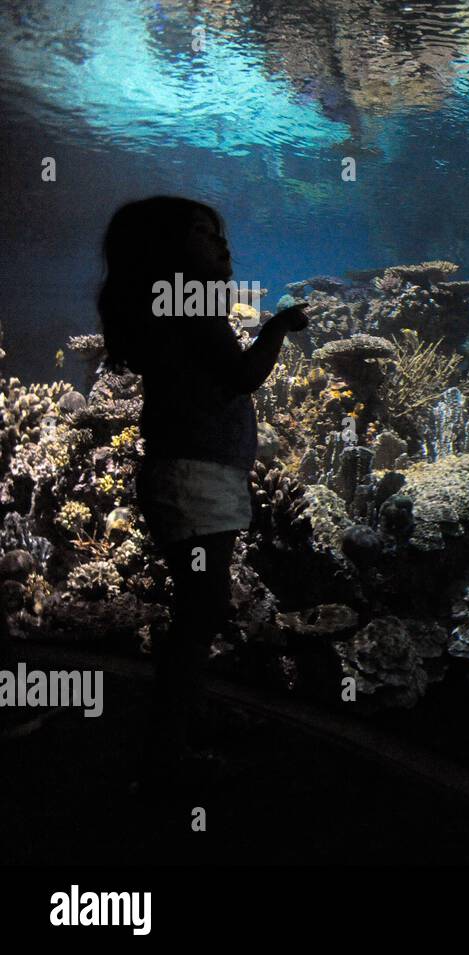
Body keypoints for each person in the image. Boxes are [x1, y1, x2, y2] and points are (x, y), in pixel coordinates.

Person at [97, 196, 308, 791]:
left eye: (220, 234)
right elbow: (244, 375)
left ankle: (184, 722)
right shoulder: (193, 307)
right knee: (199, 616)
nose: (223, 245)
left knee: (197, 611)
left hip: (188, 478)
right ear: (164, 251)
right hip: (195, 480)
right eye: (202, 233)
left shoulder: (164, 309)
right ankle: (167, 759)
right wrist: (277, 327)